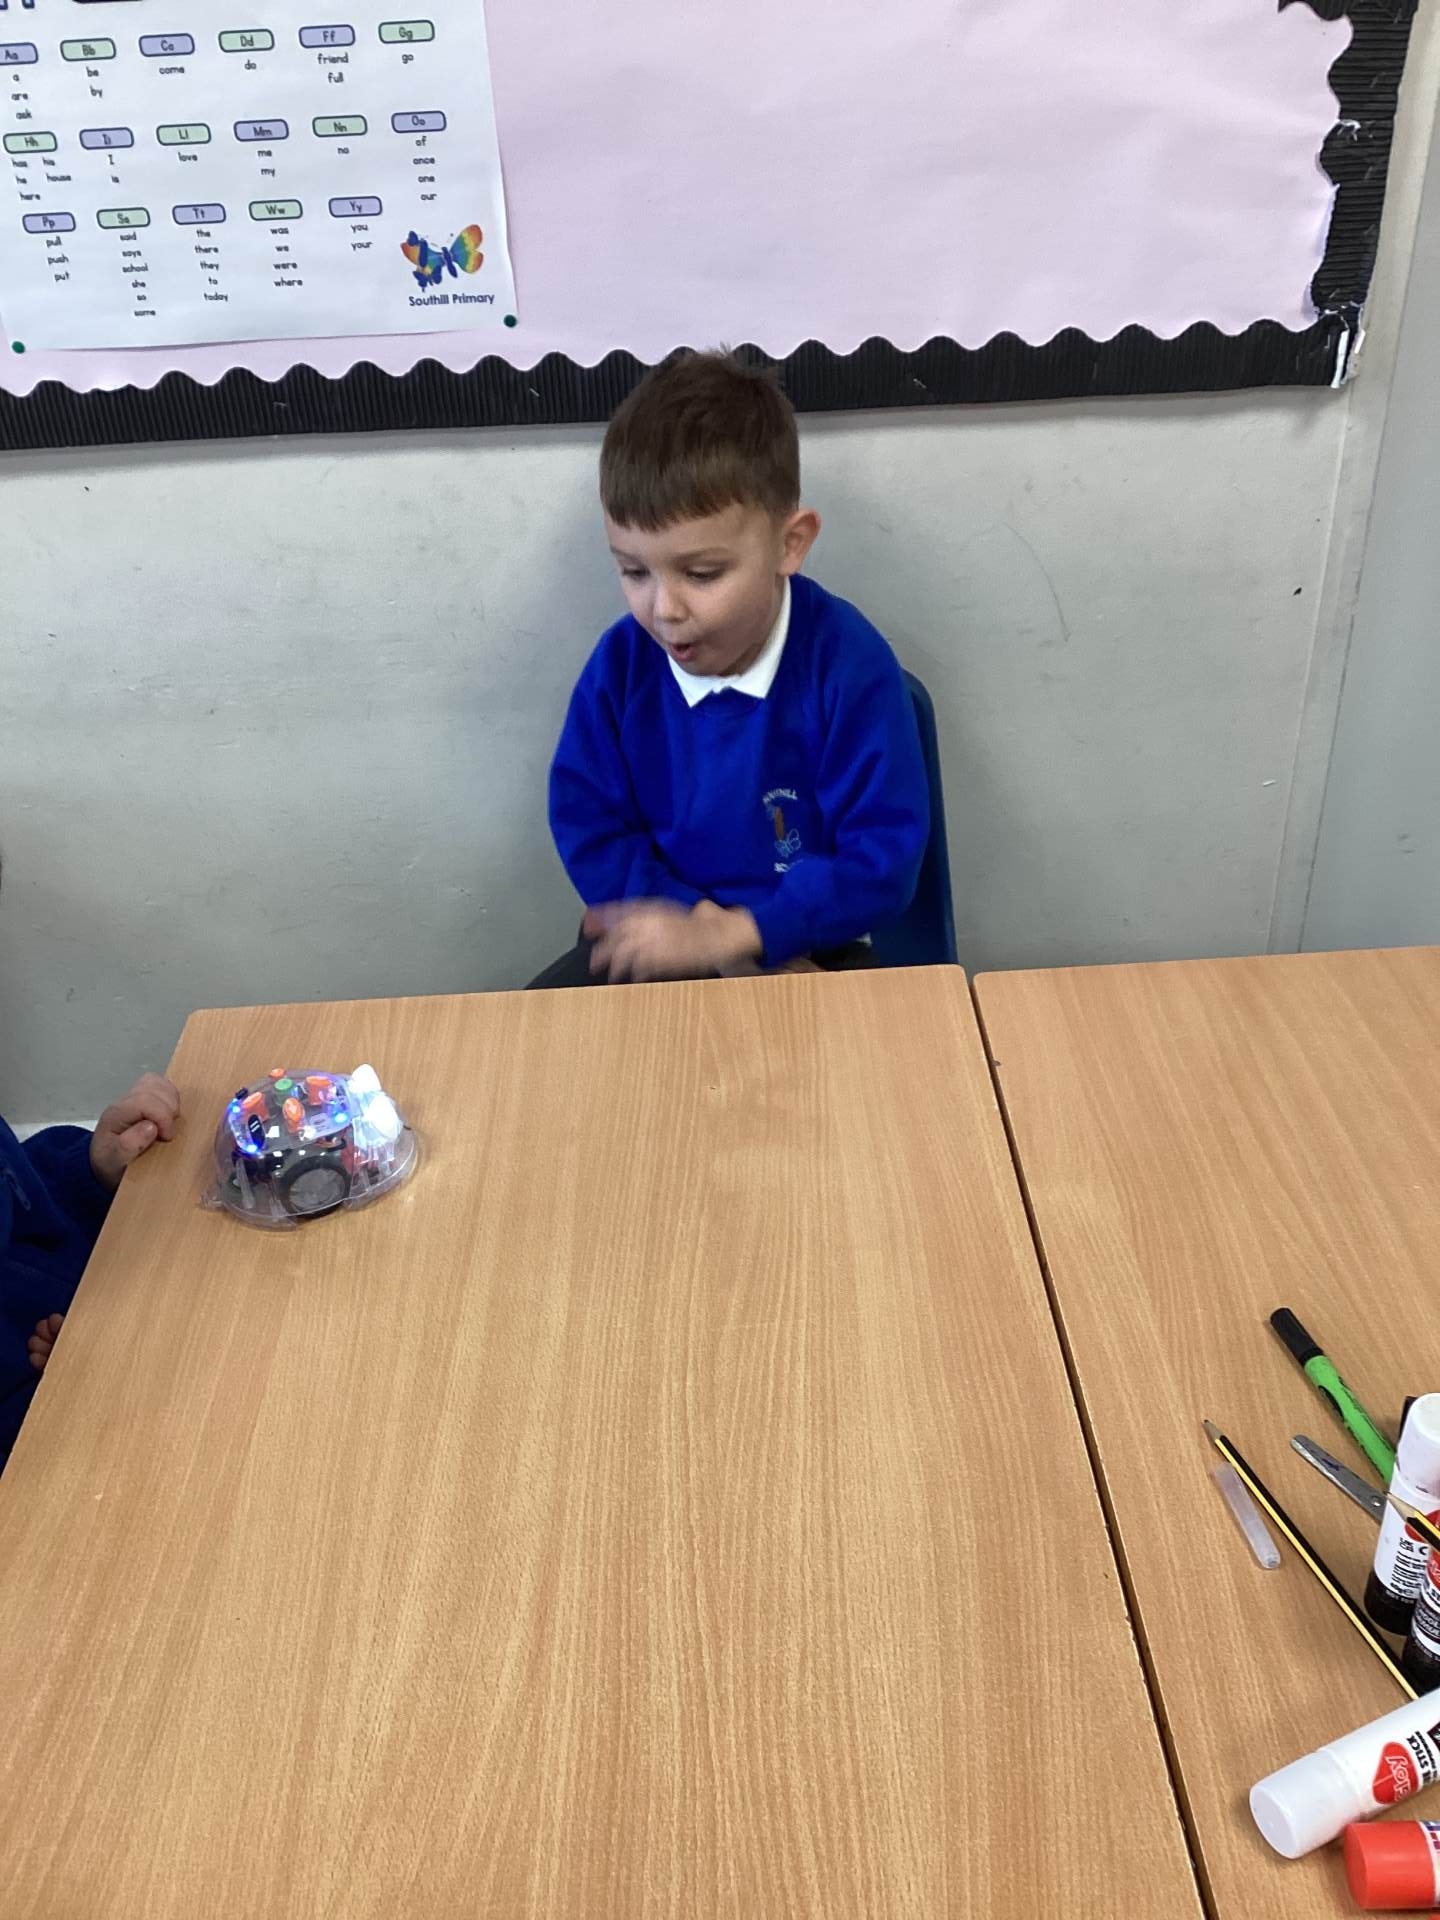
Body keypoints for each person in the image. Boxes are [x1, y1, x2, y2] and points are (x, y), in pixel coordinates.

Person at [535, 350, 930, 987]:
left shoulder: (849, 667)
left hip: (812, 943)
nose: (664, 610)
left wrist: (747, 935)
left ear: (789, 545)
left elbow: (881, 861)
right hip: (661, 932)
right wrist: (701, 934)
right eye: (633, 571)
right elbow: (589, 823)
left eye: (702, 574)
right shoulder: (621, 669)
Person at [1, 1073, 180, 1471]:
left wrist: (92, 1170)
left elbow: (27, 1187)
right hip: (90, 1446)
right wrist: (58, 1405)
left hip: (135, 1298)